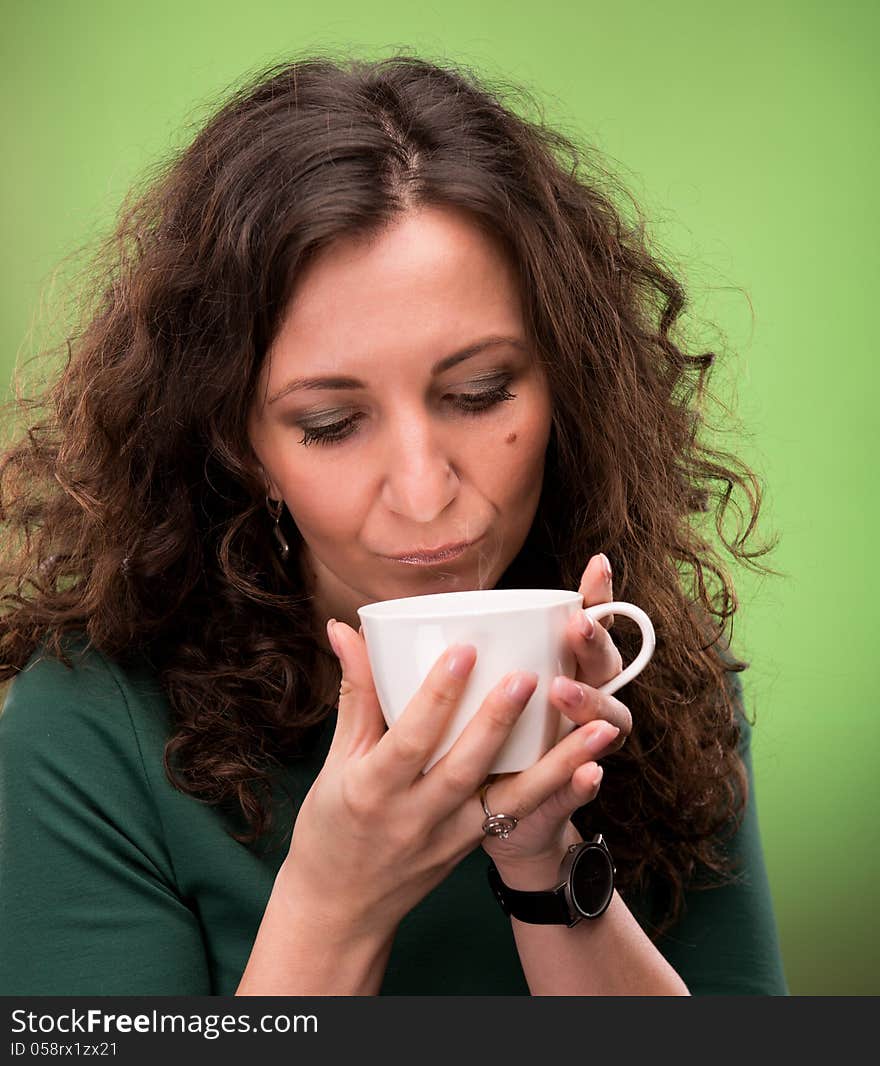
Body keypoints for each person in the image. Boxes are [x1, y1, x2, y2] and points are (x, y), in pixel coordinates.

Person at [0, 52, 788, 996]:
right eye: (330, 425)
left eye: (477, 392)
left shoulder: (645, 684)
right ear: (243, 444)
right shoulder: (95, 730)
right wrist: (336, 901)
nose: (423, 494)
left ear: (562, 387)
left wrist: (544, 861)